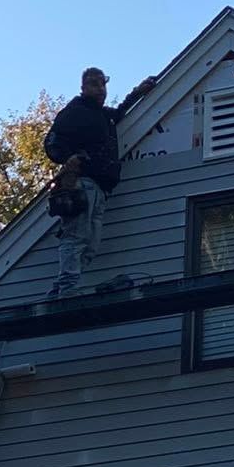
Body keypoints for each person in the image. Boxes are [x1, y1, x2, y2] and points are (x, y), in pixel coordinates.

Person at [45, 66, 158, 296]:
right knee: (76, 237)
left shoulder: (102, 115)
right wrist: (70, 159)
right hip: (83, 184)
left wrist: (137, 93)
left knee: (90, 245)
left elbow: (118, 114)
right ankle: (67, 290)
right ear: (83, 87)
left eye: (103, 84)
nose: (100, 89)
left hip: (100, 188)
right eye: (94, 84)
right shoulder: (75, 111)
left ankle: (59, 289)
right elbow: (52, 141)